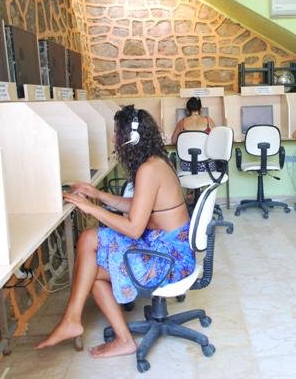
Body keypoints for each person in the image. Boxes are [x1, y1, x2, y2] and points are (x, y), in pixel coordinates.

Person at [36, 105, 194, 358]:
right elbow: (137, 206)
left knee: (91, 268)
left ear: (131, 138)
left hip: (169, 260)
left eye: (117, 133)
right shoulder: (156, 163)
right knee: (88, 243)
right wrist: (97, 195)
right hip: (166, 247)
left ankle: (102, 331)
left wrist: (92, 208)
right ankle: (73, 319)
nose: (113, 139)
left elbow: (133, 229)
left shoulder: (149, 170)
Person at [171, 96, 217, 174]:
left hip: (187, 167)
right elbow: (216, 140)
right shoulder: (208, 121)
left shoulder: (181, 122)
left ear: (187, 110)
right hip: (207, 166)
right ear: (201, 109)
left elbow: (173, 141)